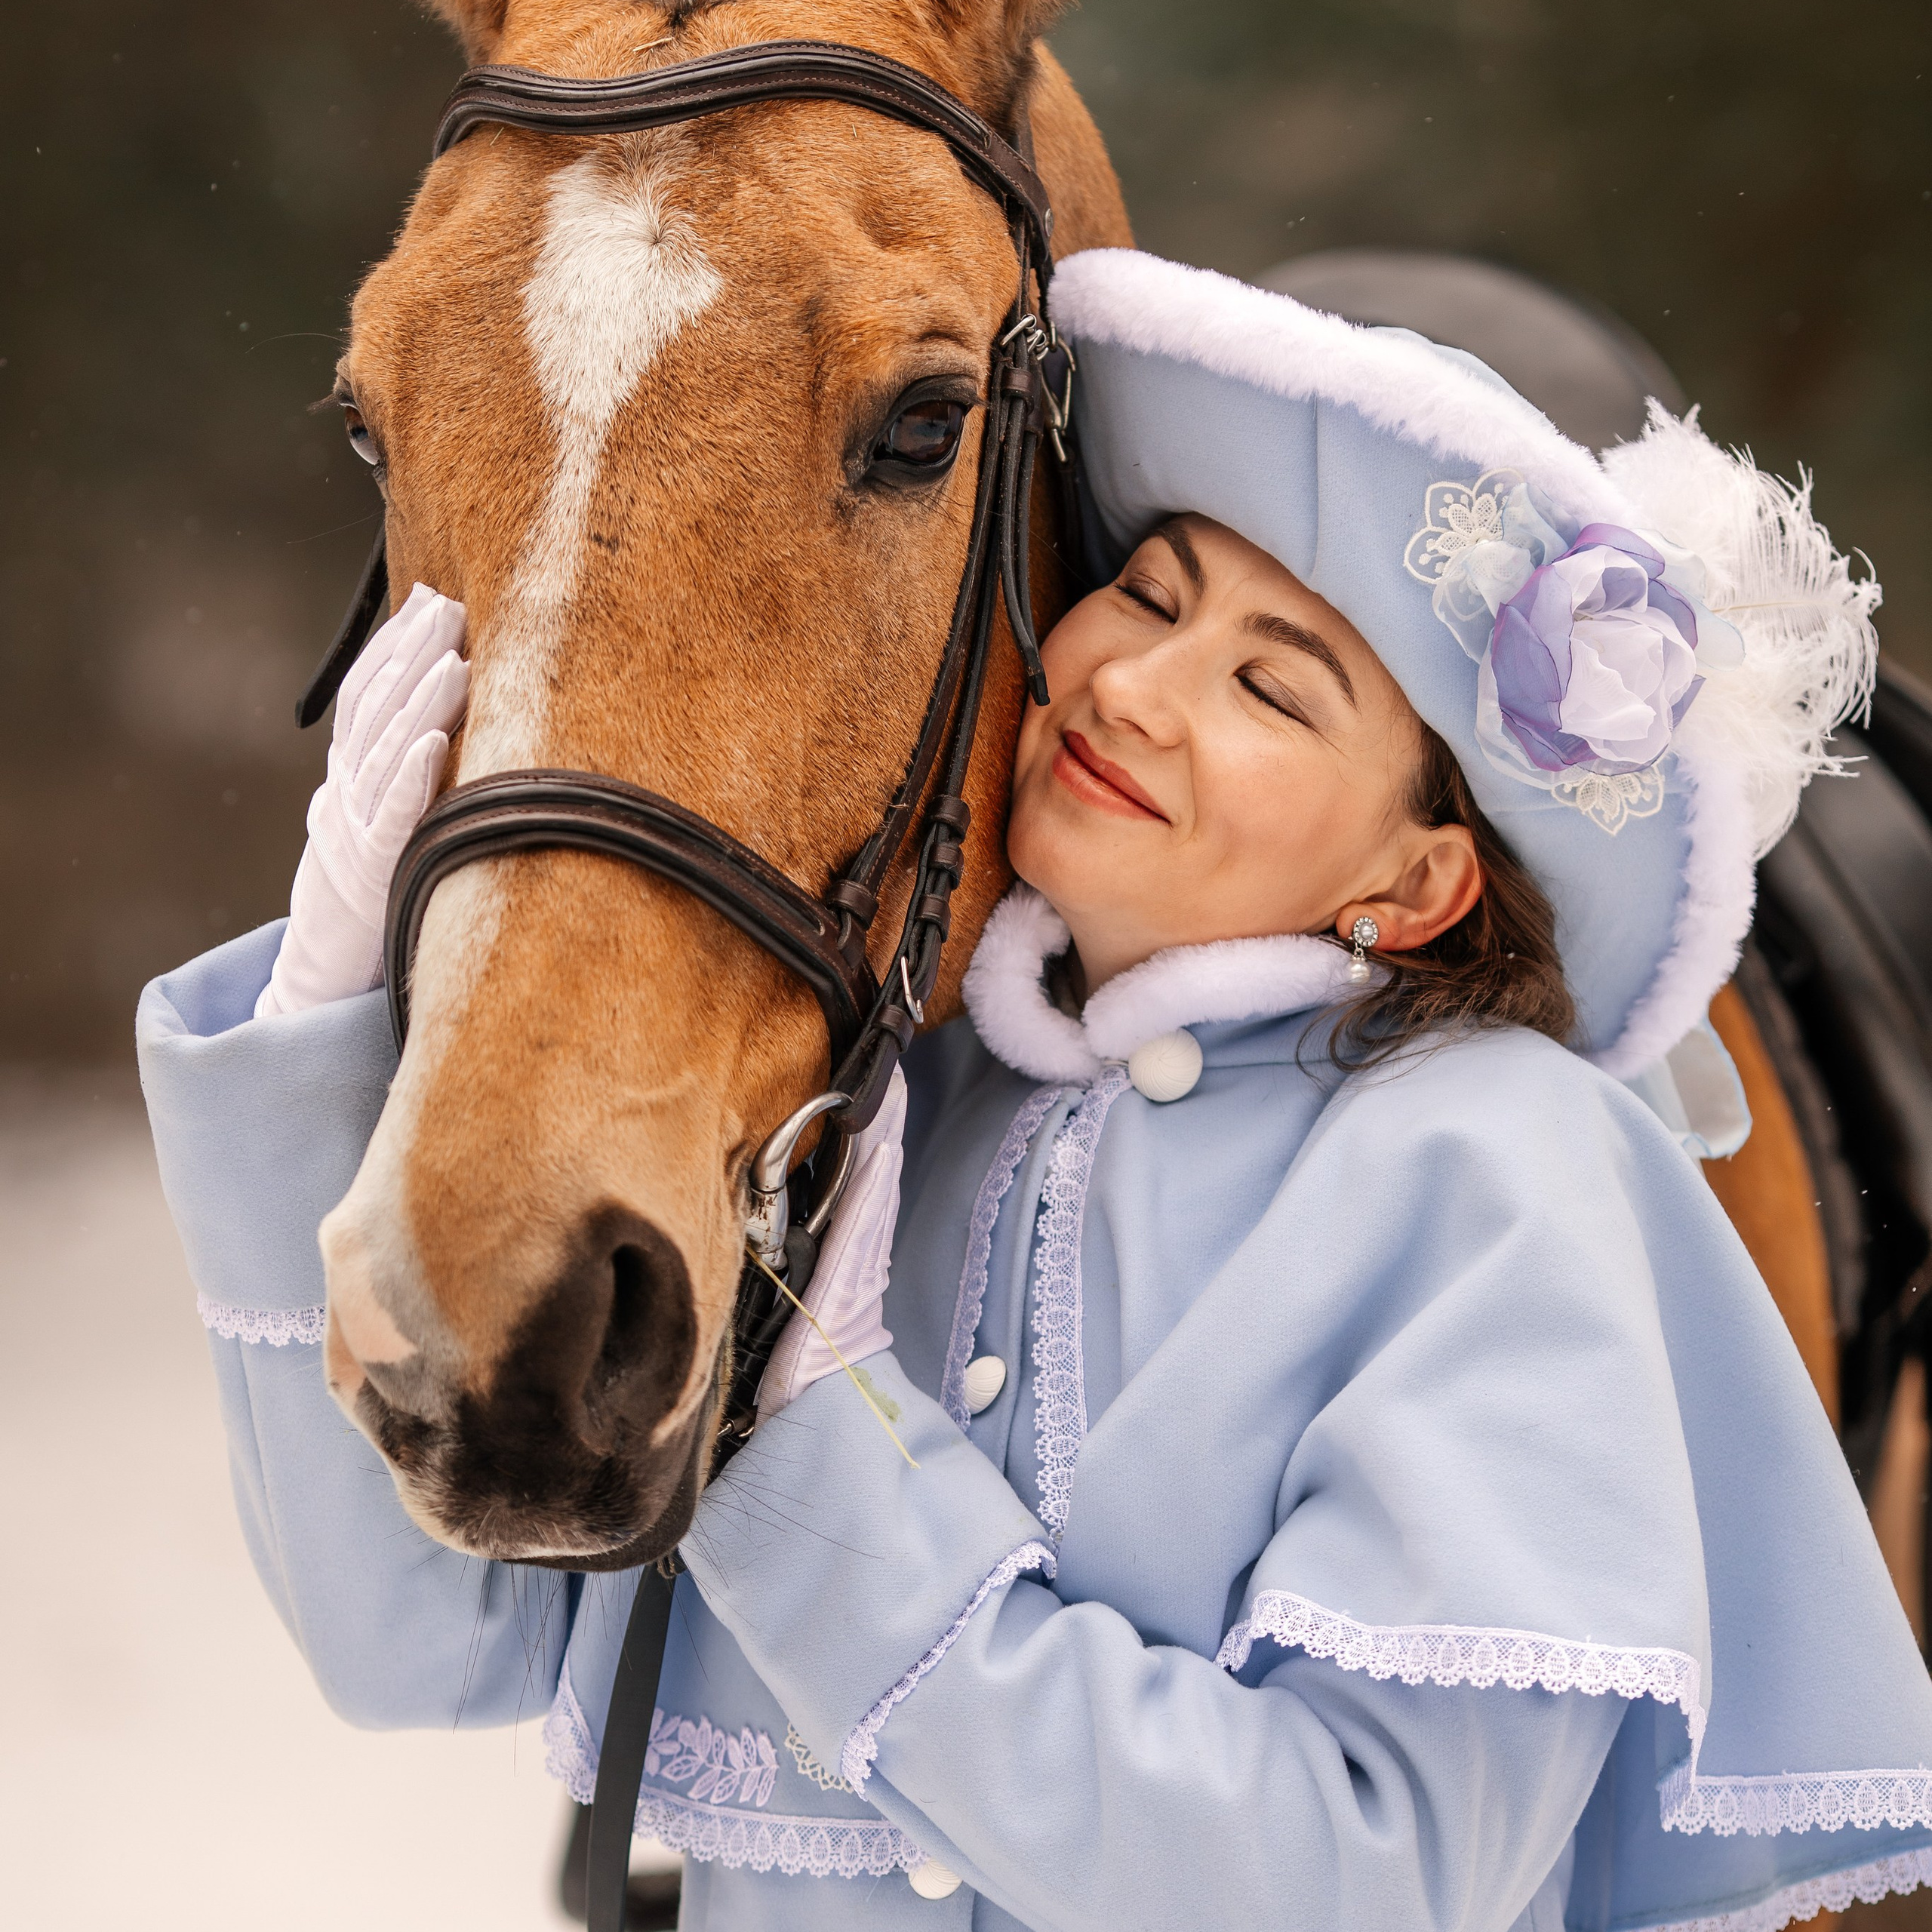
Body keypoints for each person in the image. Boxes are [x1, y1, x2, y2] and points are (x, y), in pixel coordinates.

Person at [138, 248, 1931, 1932]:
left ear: (1417, 879)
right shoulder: (879, 1104)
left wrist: (824, 1463)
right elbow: (419, 1647)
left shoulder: (1499, 1175)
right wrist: (315, 1038)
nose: (1133, 681)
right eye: (1145, 593)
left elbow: (1355, 1874)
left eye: (1269, 686)